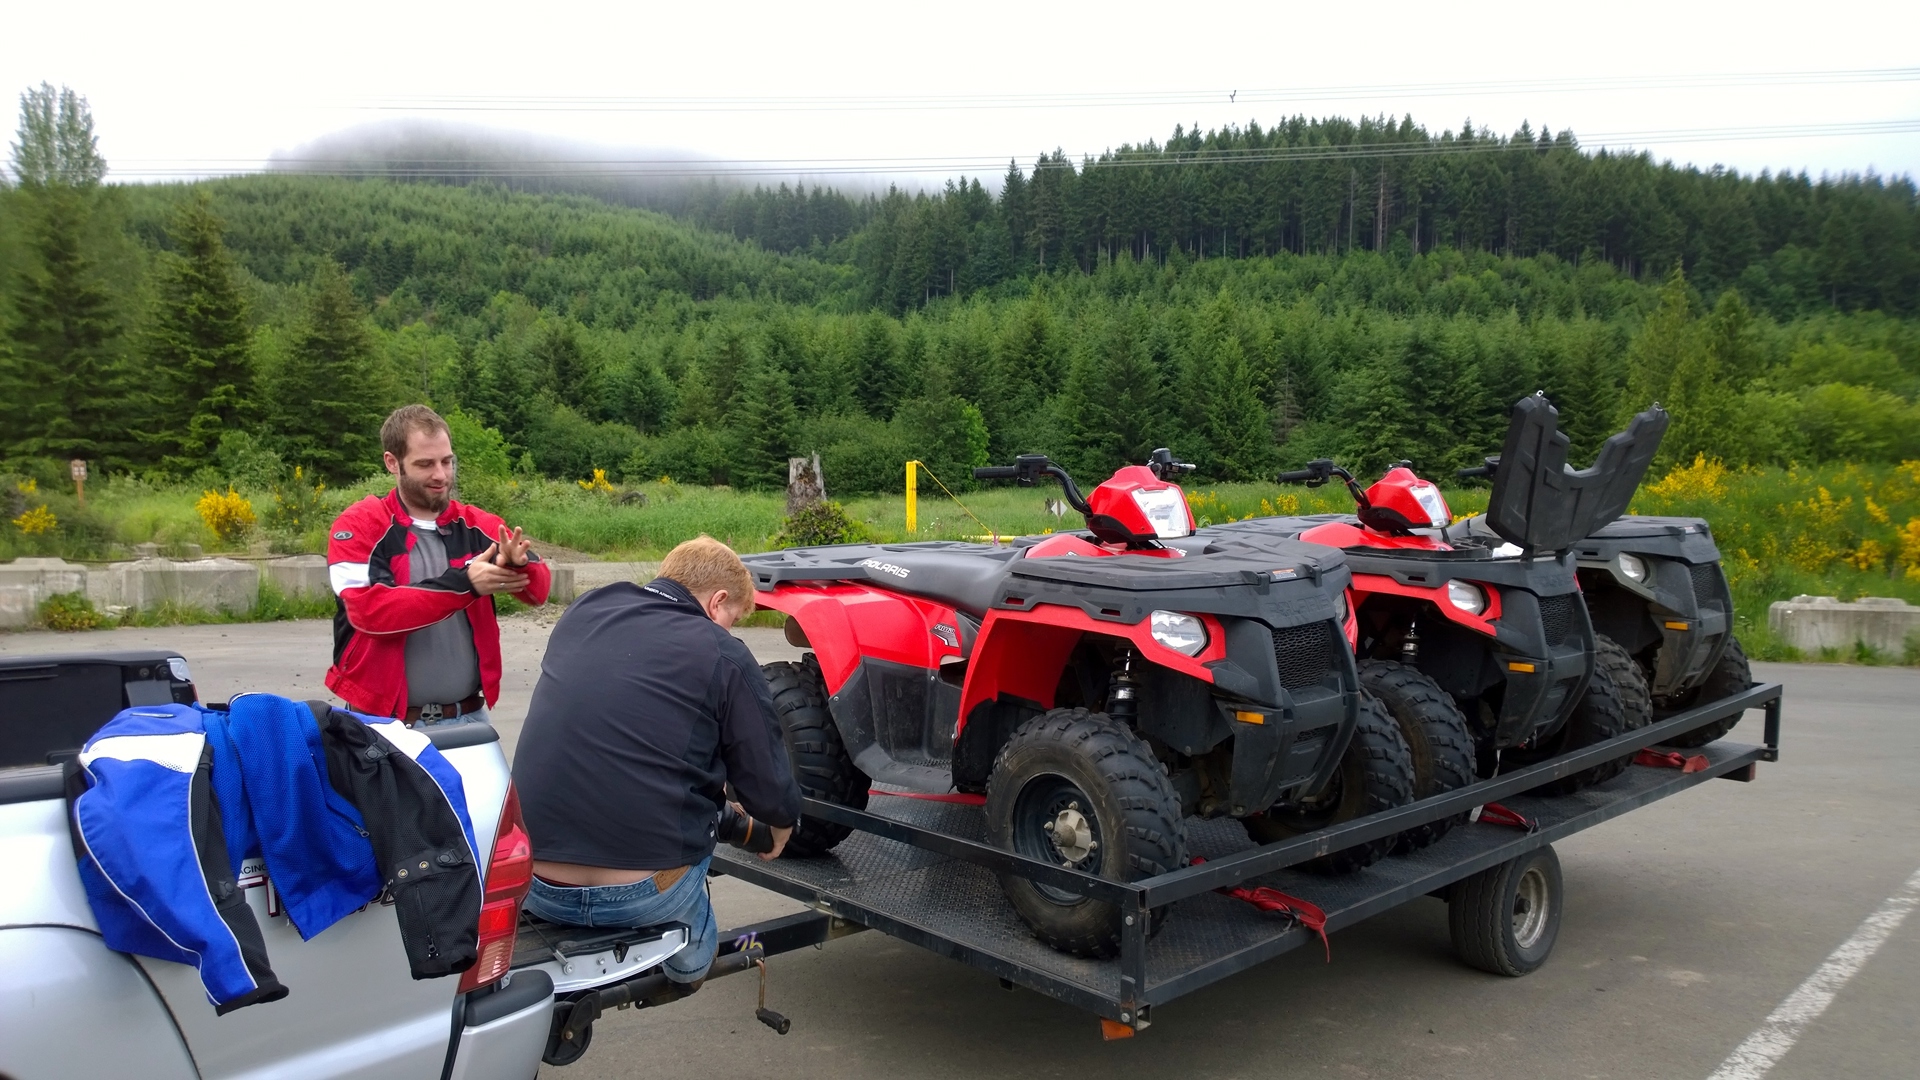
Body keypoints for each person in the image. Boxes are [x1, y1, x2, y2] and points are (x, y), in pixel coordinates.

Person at [511, 536, 802, 991]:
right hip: (641, 894)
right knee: (692, 955)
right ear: (717, 601)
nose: (730, 630)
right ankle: (684, 967)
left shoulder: (585, 612)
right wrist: (782, 820)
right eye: (733, 619)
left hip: (534, 884)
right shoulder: (721, 652)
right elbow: (763, 772)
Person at [325, 405, 550, 726]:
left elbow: (540, 592)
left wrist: (519, 567)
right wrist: (466, 583)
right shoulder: (360, 525)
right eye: (425, 464)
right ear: (392, 462)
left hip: (468, 716)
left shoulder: (478, 524)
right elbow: (369, 612)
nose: (441, 475)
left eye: (447, 461)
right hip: (382, 721)